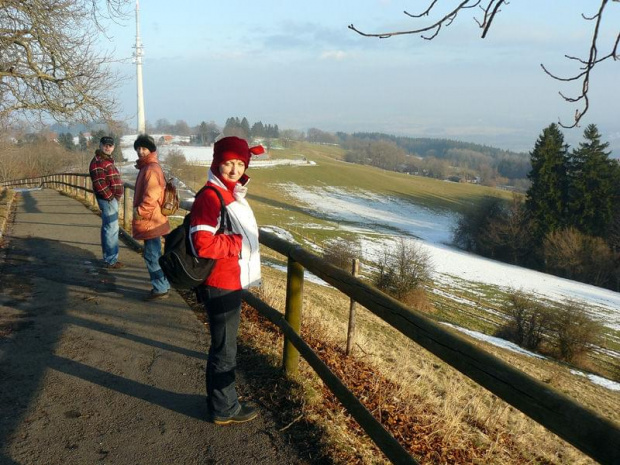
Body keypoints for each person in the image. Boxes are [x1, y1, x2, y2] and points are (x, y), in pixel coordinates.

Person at [190, 136, 263, 425]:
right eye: (228, 163)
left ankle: (222, 400)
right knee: (225, 348)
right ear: (217, 163)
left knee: (224, 345)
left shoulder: (229, 192)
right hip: (220, 283)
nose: (234, 169)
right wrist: (236, 244)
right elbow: (202, 243)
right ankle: (224, 408)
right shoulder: (210, 196)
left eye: (240, 163)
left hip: (228, 281)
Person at [132, 134, 171, 301]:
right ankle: (163, 284)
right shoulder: (147, 167)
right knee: (154, 253)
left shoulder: (150, 169)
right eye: (138, 148)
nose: (141, 152)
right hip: (154, 218)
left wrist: (140, 211)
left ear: (151, 150)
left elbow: (151, 195)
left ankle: (160, 288)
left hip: (151, 219)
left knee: (151, 254)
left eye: (144, 148)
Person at [89, 135, 124, 269]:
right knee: (111, 229)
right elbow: (99, 183)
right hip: (108, 200)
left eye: (110, 145)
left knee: (109, 229)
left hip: (110, 199)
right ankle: (111, 260)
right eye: (105, 145)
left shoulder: (105, 160)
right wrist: (111, 198)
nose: (107, 147)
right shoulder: (98, 161)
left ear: (113, 147)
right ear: (100, 145)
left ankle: (110, 258)